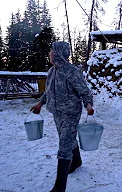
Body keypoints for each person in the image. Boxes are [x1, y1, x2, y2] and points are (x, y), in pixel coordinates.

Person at [31, 41, 94, 192]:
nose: (50, 53)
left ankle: (59, 188)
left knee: (64, 146)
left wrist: (88, 105)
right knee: (66, 139)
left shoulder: (72, 71)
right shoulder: (52, 71)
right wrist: (40, 103)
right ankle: (76, 161)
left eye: (52, 51)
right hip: (56, 112)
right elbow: (49, 91)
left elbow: (85, 92)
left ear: (58, 53)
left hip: (71, 113)